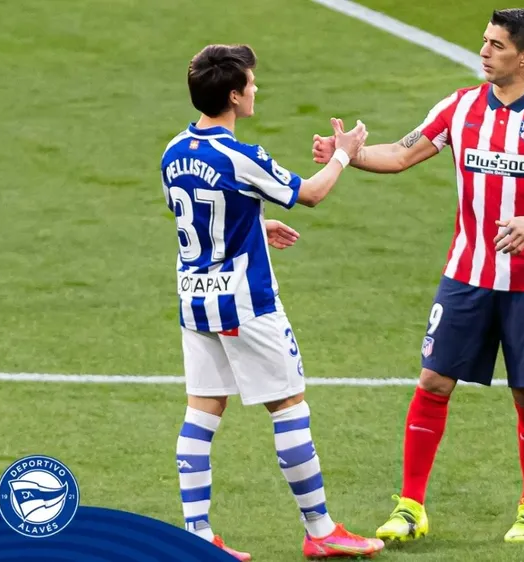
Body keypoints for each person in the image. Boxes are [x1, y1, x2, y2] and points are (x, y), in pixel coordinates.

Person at [312, 8, 524, 545]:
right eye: (483, 41)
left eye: (497, 45)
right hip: (466, 275)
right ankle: (411, 506)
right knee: (433, 380)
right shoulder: (460, 106)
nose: (484, 51)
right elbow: (400, 153)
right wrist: (348, 156)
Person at [164, 43, 384, 560]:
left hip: (195, 301)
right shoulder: (241, 156)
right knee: (288, 406)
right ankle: (321, 531)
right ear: (235, 96)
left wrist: (254, 227)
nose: (256, 88)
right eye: (252, 83)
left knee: (202, 410)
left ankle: (196, 537)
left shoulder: (173, 150)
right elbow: (310, 193)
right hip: (246, 303)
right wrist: (346, 152)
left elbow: (200, 219)